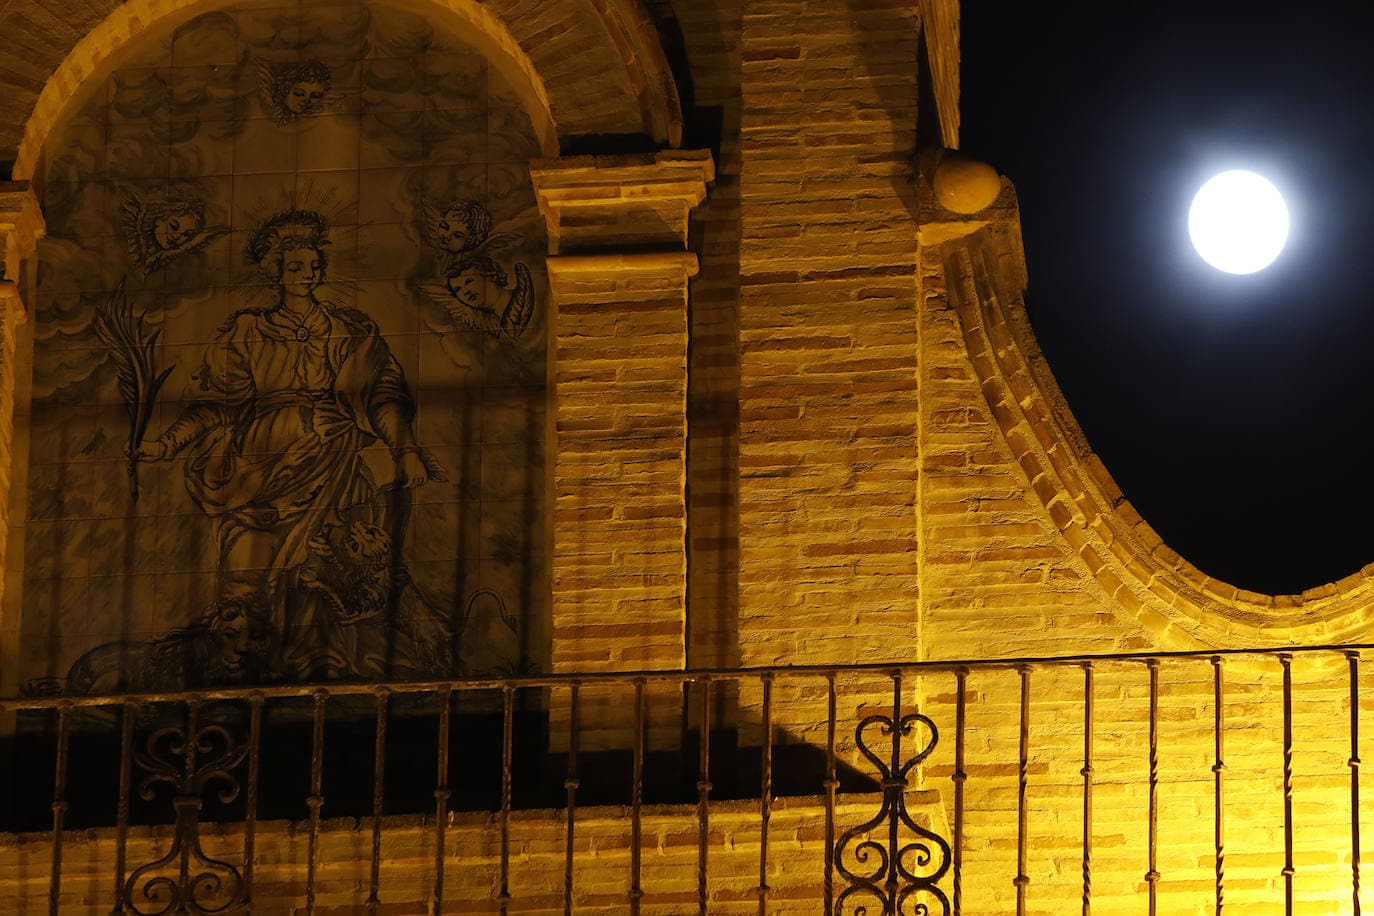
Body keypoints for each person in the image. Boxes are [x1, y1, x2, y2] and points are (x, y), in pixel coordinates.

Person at [138, 208, 444, 678]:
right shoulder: (246, 331)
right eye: (297, 266)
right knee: (249, 567)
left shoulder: (351, 330)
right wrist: (167, 443)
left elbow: (385, 393)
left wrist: (404, 448)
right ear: (275, 271)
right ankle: (244, 670)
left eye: (314, 263)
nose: (310, 272)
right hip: (261, 466)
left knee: (331, 570)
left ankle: (329, 665)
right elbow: (218, 403)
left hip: (335, 461)